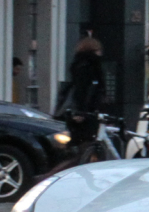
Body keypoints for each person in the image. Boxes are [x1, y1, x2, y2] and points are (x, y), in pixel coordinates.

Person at [38, 38, 107, 178]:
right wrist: (83, 111)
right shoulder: (90, 67)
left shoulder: (79, 65)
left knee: (81, 151)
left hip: (81, 114)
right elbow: (85, 92)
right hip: (85, 115)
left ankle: (54, 176)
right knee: (84, 151)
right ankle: (50, 177)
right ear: (93, 51)